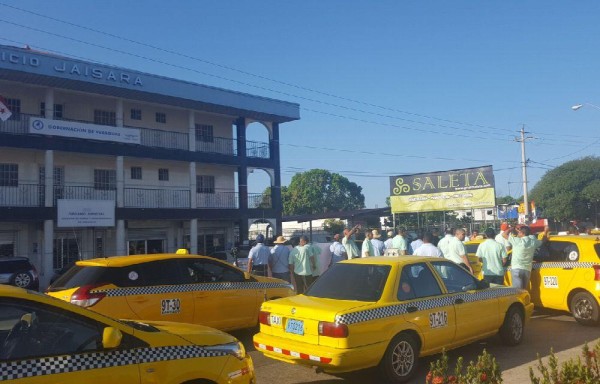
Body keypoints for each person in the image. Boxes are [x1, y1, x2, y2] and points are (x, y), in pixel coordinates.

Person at [509, 225, 550, 289]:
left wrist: (511, 228)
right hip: (527, 269)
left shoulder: (517, 241)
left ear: (522, 233)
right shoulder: (533, 242)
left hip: (516, 268)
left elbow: (504, 234)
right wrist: (546, 231)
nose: (518, 233)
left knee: (517, 291)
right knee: (524, 291)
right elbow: (543, 241)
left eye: (519, 232)